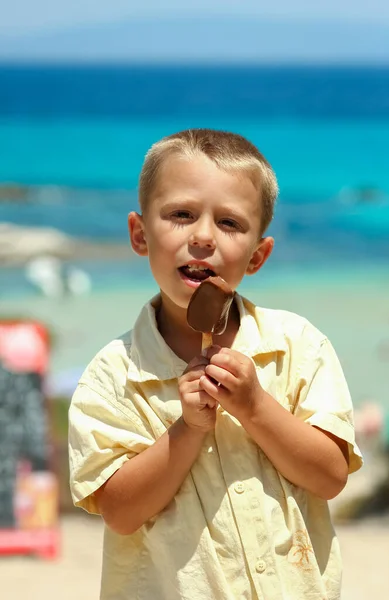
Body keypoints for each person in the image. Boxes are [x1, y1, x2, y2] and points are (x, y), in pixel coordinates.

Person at [68, 129, 362, 600]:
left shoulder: (298, 347)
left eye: (229, 223)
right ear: (140, 235)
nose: (202, 236)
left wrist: (255, 406)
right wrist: (185, 431)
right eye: (181, 214)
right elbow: (119, 512)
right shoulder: (113, 375)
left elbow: (330, 477)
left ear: (258, 255)